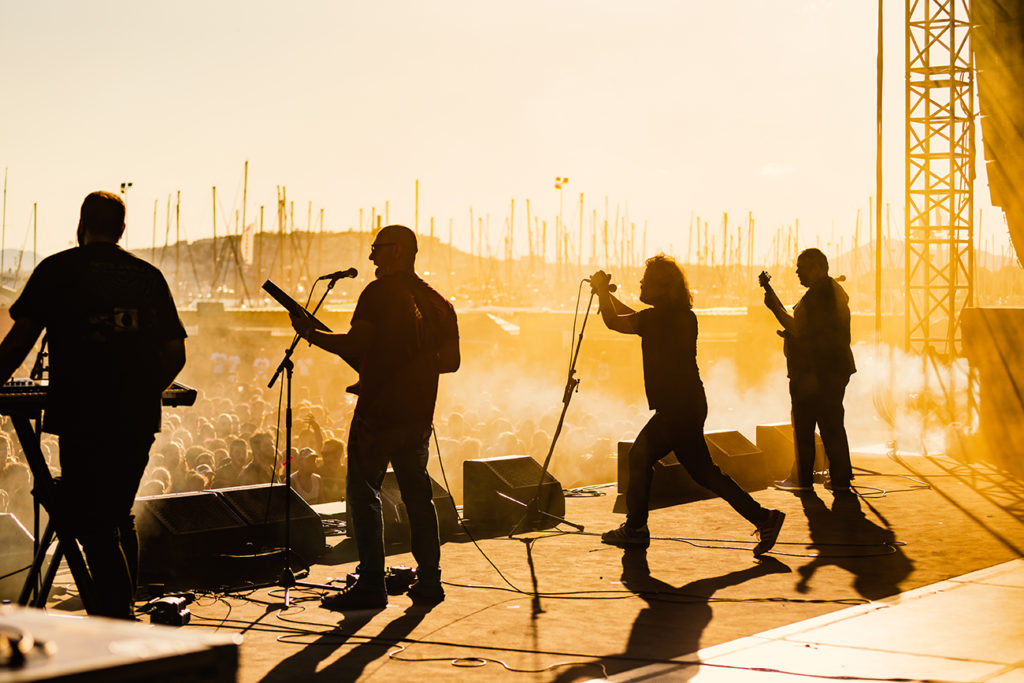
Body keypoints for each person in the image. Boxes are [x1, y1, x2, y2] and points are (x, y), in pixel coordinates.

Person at [0, 191, 186, 619]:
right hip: (137, 420)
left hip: (83, 417)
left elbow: (18, 344)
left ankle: (118, 622)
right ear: (123, 229)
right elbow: (175, 356)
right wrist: (139, 393)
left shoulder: (57, 269)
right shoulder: (147, 276)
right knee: (118, 516)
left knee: (95, 526)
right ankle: (124, 615)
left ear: (80, 225)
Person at [290, 224, 460, 610]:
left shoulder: (379, 292)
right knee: (419, 497)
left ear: (398, 250)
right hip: (418, 415)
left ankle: (370, 584)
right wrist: (408, 365)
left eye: (377, 248)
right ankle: (430, 581)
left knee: (363, 492)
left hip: (379, 413)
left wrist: (310, 333)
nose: (370, 257)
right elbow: (451, 362)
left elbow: (355, 344)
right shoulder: (439, 303)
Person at [590, 255, 784, 554]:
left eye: (645, 279)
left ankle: (636, 528)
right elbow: (632, 318)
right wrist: (609, 296)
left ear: (660, 285)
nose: (641, 282)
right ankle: (763, 517)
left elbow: (616, 322)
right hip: (689, 402)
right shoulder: (678, 315)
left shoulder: (658, 319)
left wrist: (603, 292)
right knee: (705, 473)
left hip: (676, 408)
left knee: (640, 457)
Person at [762, 248, 856, 493]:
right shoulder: (832, 292)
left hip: (814, 372)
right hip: (833, 369)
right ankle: (840, 478)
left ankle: (802, 479)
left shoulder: (817, 296)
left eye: (801, 267)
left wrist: (775, 308)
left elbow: (800, 329)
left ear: (817, 268)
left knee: (804, 425)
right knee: (832, 424)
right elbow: (816, 333)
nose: (797, 272)